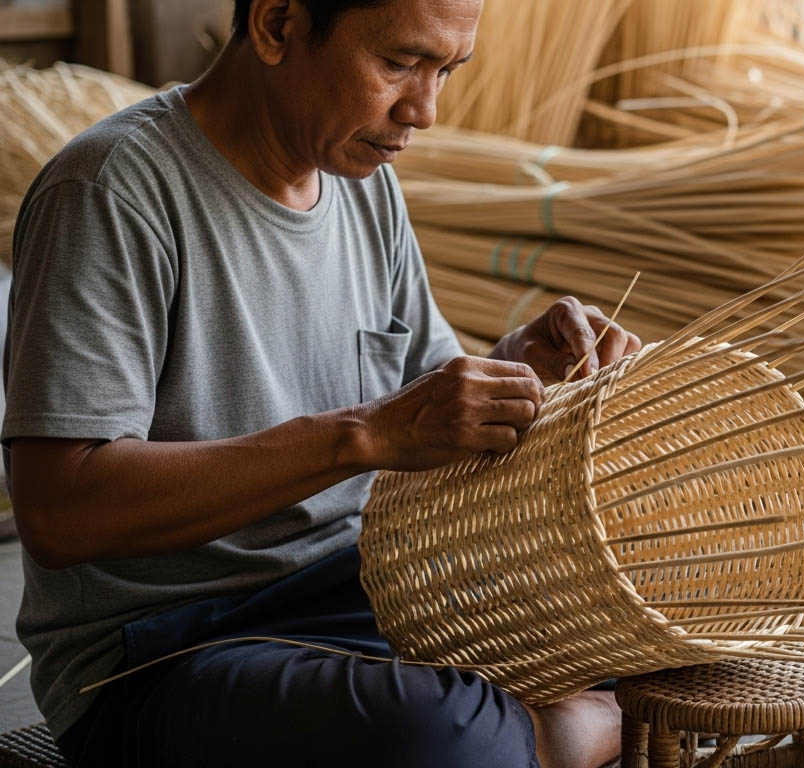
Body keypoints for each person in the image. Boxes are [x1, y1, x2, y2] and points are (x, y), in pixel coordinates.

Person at [3, 0, 640, 766]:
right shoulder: (111, 191)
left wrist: (520, 366)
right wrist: (361, 436)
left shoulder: (361, 182)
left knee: (633, 619)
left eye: (445, 71)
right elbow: (60, 511)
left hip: (368, 589)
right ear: (278, 25)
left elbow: (421, 395)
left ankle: (540, 730)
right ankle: (571, 732)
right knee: (434, 739)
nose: (424, 110)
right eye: (399, 63)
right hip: (168, 650)